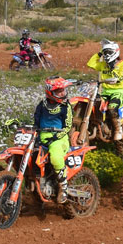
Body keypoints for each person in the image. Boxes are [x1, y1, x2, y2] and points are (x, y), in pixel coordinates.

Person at [34, 76, 73, 204]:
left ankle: (64, 186)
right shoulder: (42, 104)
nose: (63, 93)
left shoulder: (65, 106)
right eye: (59, 91)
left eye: (63, 90)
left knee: (55, 155)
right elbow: (36, 121)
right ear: (50, 92)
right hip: (42, 137)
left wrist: (55, 137)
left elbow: (67, 127)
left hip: (59, 138)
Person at [85, 39, 123, 140]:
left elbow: (120, 79)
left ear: (115, 52)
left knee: (111, 108)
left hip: (117, 92)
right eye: (105, 52)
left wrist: (112, 69)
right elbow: (90, 63)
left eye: (109, 52)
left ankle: (118, 129)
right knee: (92, 105)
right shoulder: (103, 65)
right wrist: (99, 53)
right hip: (104, 92)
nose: (106, 55)